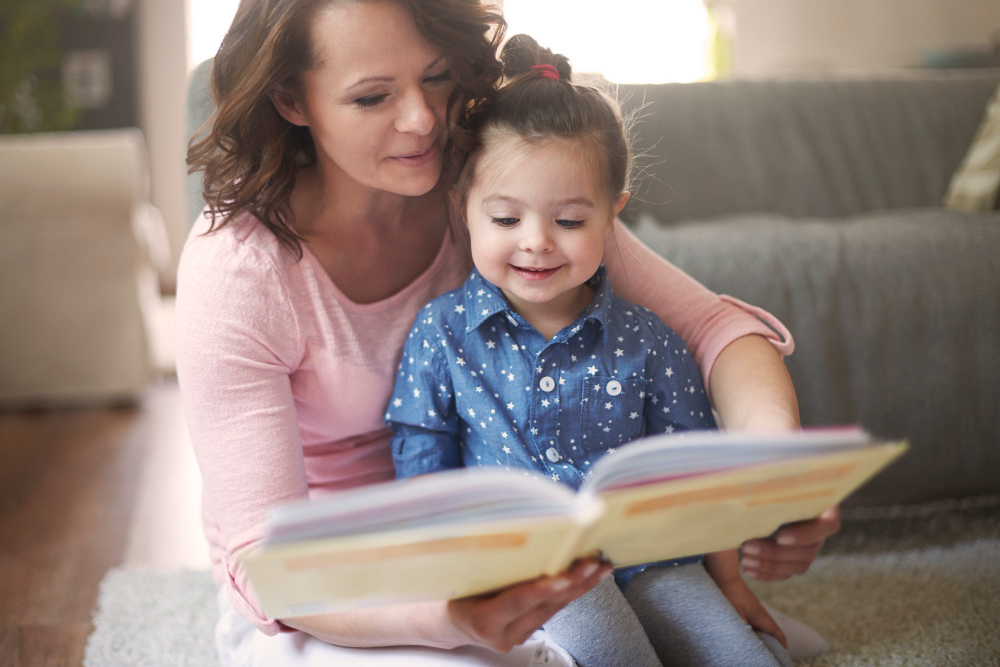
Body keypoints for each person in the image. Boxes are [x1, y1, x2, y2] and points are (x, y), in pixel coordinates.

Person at [177, 0, 840, 664]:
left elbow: (713, 328)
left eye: (437, 77)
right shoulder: (238, 271)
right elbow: (270, 564)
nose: (423, 119)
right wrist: (450, 615)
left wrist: (774, 466)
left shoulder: (496, 191)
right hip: (334, 592)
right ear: (291, 99)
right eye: (372, 97)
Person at [385, 35, 792, 667]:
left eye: (570, 221)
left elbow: (697, 475)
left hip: (653, 557)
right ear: (463, 209)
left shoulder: (650, 340)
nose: (537, 242)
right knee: (618, 649)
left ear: (612, 214)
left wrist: (729, 582)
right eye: (506, 220)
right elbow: (422, 471)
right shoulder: (441, 335)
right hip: (530, 565)